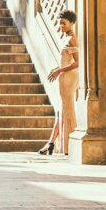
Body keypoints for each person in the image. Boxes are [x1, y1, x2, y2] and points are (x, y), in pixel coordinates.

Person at [39, 10, 80, 155]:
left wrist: (59, 71)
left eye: (64, 23)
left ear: (71, 23)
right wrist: (57, 69)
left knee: (67, 110)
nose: (61, 26)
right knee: (61, 111)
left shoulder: (72, 39)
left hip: (69, 77)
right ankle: (51, 143)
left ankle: (70, 146)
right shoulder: (66, 38)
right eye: (60, 23)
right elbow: (66, 60)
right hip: (64, 76)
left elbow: (77, 63)